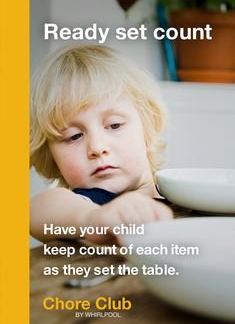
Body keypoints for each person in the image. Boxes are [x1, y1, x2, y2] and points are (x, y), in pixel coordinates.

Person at [30, 44, 172, 244]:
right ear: (53, 159)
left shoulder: (179, 193)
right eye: (74, 136)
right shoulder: (90, 203)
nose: (97, 147)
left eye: (114, 125)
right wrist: (92, 218)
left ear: (146, 131)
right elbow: (38, 212)